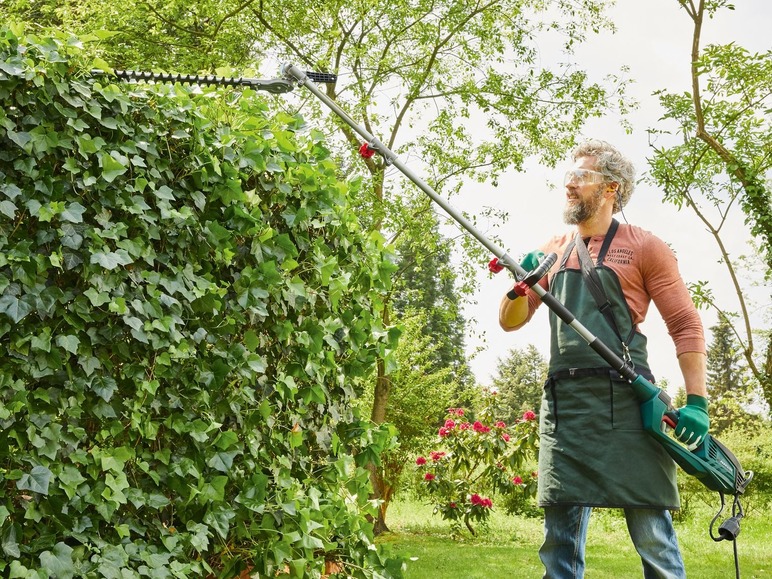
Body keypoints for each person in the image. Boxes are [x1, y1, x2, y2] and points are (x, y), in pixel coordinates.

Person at [498, 139, 710, 579]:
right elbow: (509, 321)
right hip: (566, 404)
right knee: (559, 537)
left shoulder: (645, 247)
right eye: (568, 176)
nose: (570, 185)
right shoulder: (554, 249)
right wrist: (522, 284)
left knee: (652, 530)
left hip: (631, 398)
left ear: (611, 187)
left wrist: (698, 402)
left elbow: (685, 324)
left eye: (582, 176)